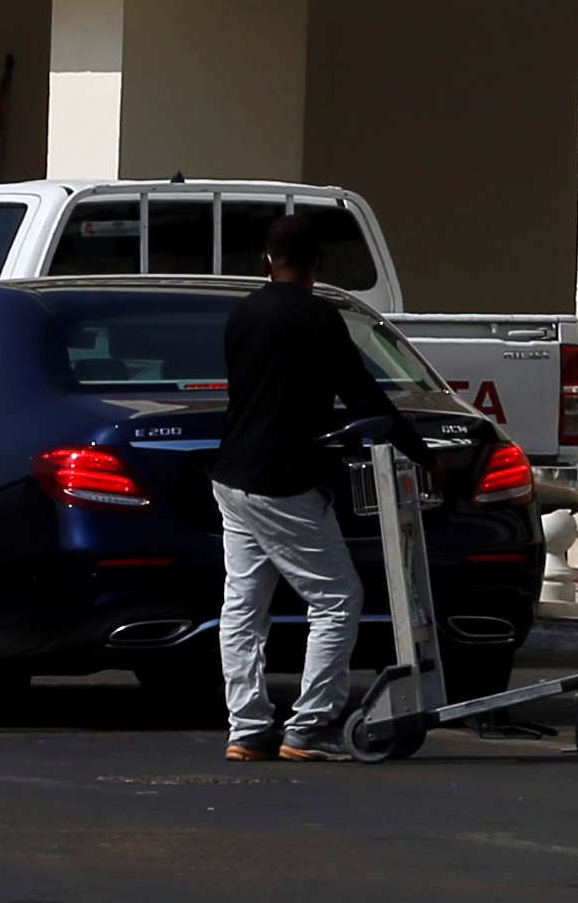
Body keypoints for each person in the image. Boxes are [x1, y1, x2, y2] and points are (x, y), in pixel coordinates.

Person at [213, 204, 399, 761]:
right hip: (284, 480)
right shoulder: (320, 319)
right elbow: (364, 394)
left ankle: (247, 728)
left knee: (243, 608)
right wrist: (415, 448)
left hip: (231, 478)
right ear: (318, 263)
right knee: (339, 599)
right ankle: (309, 726)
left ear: (267, 261)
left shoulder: (242, 314)